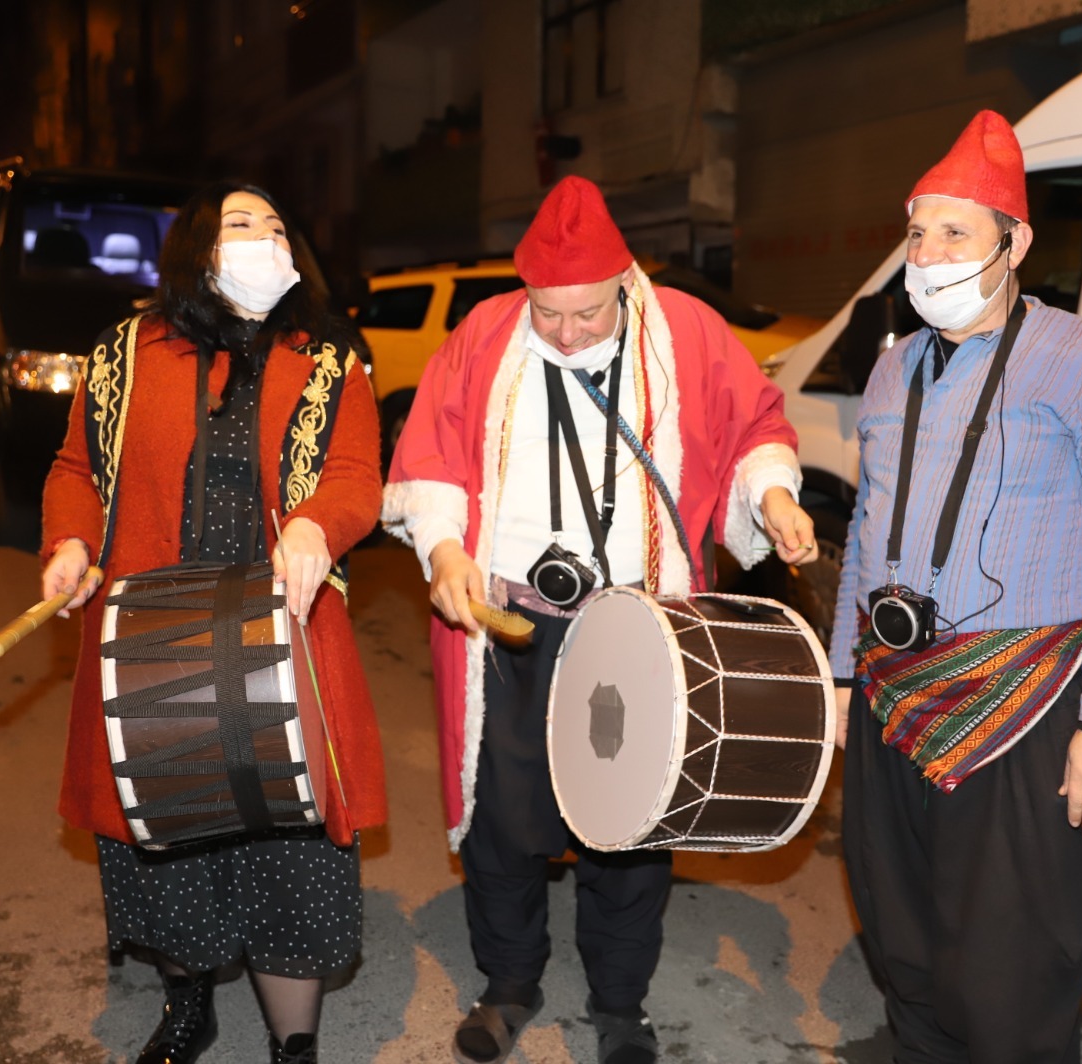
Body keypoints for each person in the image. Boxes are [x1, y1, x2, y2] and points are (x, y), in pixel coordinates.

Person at [382, 175, 818, 1064]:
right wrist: (443, 549)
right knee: (502, 823)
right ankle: (508, 986)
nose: (568, 332)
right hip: (508, 623)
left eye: (587, 314)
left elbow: (753, 426)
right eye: (550, 314)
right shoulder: (485, 335)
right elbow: (429, 447)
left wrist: (771, 495)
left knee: (630, 821)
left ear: (624, 282)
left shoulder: (688, 330)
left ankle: (622, 1003)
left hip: (636, 625)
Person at [828, 110, 1082, 1062]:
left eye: (956, 232)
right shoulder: (894, 367)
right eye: (917, 231)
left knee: (1010, 962)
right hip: (893, 695)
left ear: (1014, 243)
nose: (929, 252)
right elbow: (866, 526)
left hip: (1026, 706)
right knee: (903, 938)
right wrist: (838, 680)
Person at [39, 181, 387, 1064]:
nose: (266, 239)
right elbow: (76, 466)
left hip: (283, 634)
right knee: (174, 839)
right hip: (156, 634)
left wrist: (317, 522)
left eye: (279, 226)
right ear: (199, 247)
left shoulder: (329, 357)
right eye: (242, 225)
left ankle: (294, 1042)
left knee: (289, 850)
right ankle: (188, 1007)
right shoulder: (125, 351)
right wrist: (71, 544)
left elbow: (354, 473)